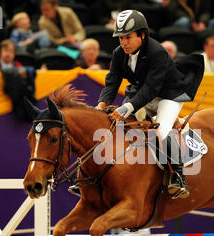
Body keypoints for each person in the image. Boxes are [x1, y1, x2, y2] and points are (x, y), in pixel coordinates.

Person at [70, 10, 204, 199]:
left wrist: (126, 108)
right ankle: (92, 176)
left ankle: (178, 176)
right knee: (114, 125)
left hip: (168, 96)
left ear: (142, 34)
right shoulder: (119, 53)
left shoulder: (157, 52)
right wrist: (102, 104)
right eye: (120, 38)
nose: (123, 42)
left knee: (162, 130)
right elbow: (112, 81)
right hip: (143, 96)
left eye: (128, 37)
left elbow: (151, 88)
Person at [0, 39, 36, 122]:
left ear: (14, 54)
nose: (8, 54)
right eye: (5, 51)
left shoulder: (19, 66)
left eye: (11, 51)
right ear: (0, 52)